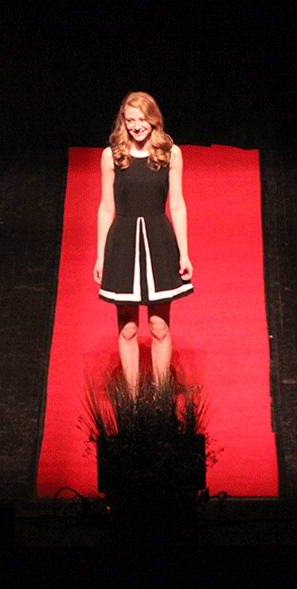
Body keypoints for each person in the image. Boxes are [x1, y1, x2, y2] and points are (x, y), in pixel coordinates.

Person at [94, 92, 193, 392]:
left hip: (159, 242)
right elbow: (106, 207)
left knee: (160, 327)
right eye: (130, 120)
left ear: (153, 120)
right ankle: (133, 400)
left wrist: (184, 254)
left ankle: (161, 398)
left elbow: (177, 205)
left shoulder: (170, 154)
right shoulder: (112, 155)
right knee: (127, 329)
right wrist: (100, 256)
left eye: (142, 120)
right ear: (123, 122)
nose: (137, 126)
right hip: (123, 244)